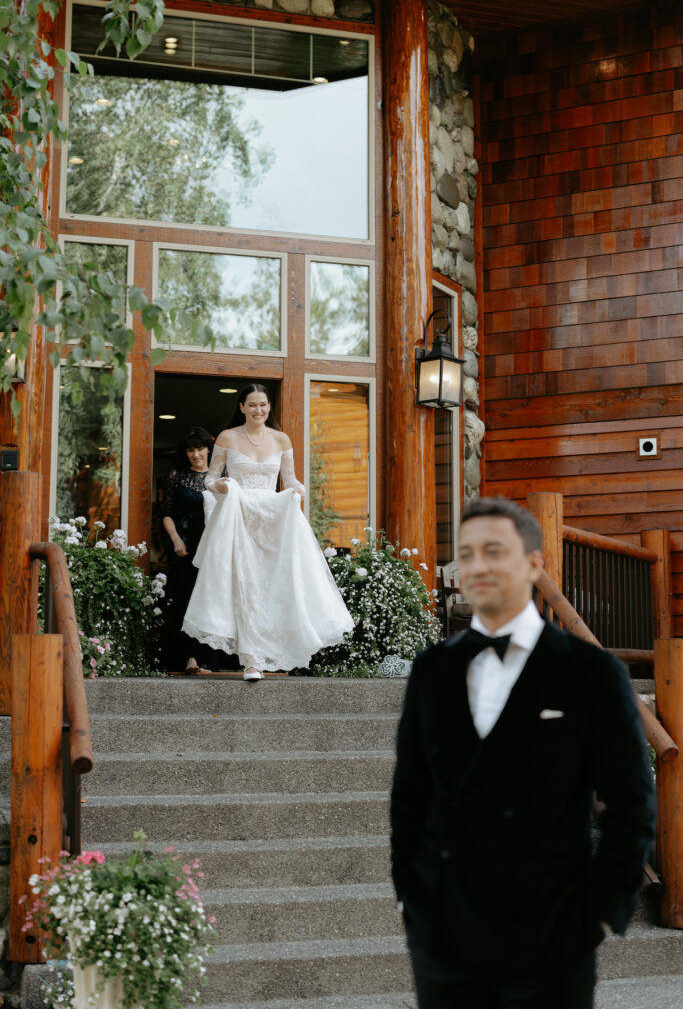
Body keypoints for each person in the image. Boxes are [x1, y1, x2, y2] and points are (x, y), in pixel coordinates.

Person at [390, 497, 656, 1009]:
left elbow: (632, 804)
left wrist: (599, 915)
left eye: (494, 551)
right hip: (446, 938)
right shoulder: (433, 670)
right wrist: (413, 900)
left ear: (534, 564)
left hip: (552, 936)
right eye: (465, 555)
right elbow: (411, 797)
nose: (477, 567)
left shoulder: (590, 673)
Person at [182, 383, 353, 680]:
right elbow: (210, 479)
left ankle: (276, 650)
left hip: (272, 520)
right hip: (239, 517)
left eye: (263, 405)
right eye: (252, 405)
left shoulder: (281, 439)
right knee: (247, 586)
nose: (258, 410)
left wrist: (297, 492)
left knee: (275, 586)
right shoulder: (227, 437)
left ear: (268, 407)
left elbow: (291, 480)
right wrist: (221, 485)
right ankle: (251, 661)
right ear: (242, 408)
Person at [161, 427, 216, 674]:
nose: (196, 454)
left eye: (200, 448)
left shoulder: (221, 476)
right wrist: (175, 540)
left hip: (213, 546)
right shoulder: (177, 475)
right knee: (185, 599)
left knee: (211, 600)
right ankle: (189, 658)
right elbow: (166, 514)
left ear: (208, 449)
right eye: (191, 449)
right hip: (185, 545)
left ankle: (210, 658)